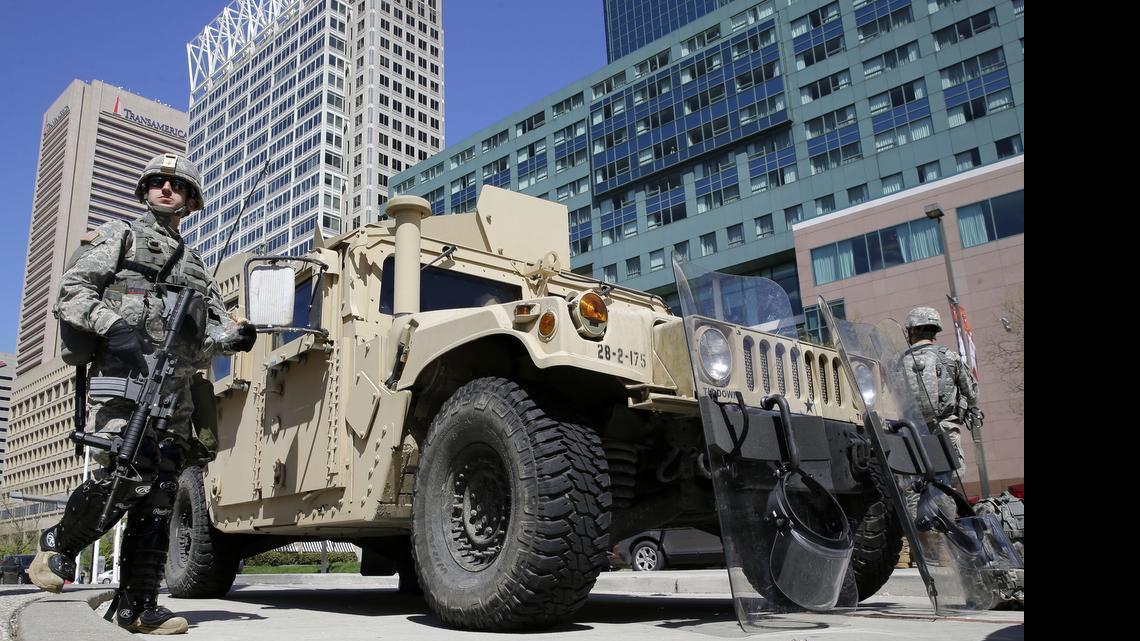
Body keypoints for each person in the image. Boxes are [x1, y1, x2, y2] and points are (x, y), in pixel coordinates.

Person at [28, 153, 257, 635]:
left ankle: (139, 608)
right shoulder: (121, 235)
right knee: (126, 476)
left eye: (176, 185)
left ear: (191, 201)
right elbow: (72, 292)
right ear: (146, 191)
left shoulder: (196, 267)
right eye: (157, 182)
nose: (166, 189)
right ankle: (56, 545)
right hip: (126, 386)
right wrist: (113, 328)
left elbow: (211, 331)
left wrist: (235, 336)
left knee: (159, 496)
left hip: (175, 400)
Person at [902, 306, 981, 475]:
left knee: (916, 484)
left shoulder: (898, 361)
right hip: (945, 430)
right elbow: (972, 393)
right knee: (950, 481)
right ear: (934, 330)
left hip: (911, 434)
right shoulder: (950, 357)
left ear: (913, 329)